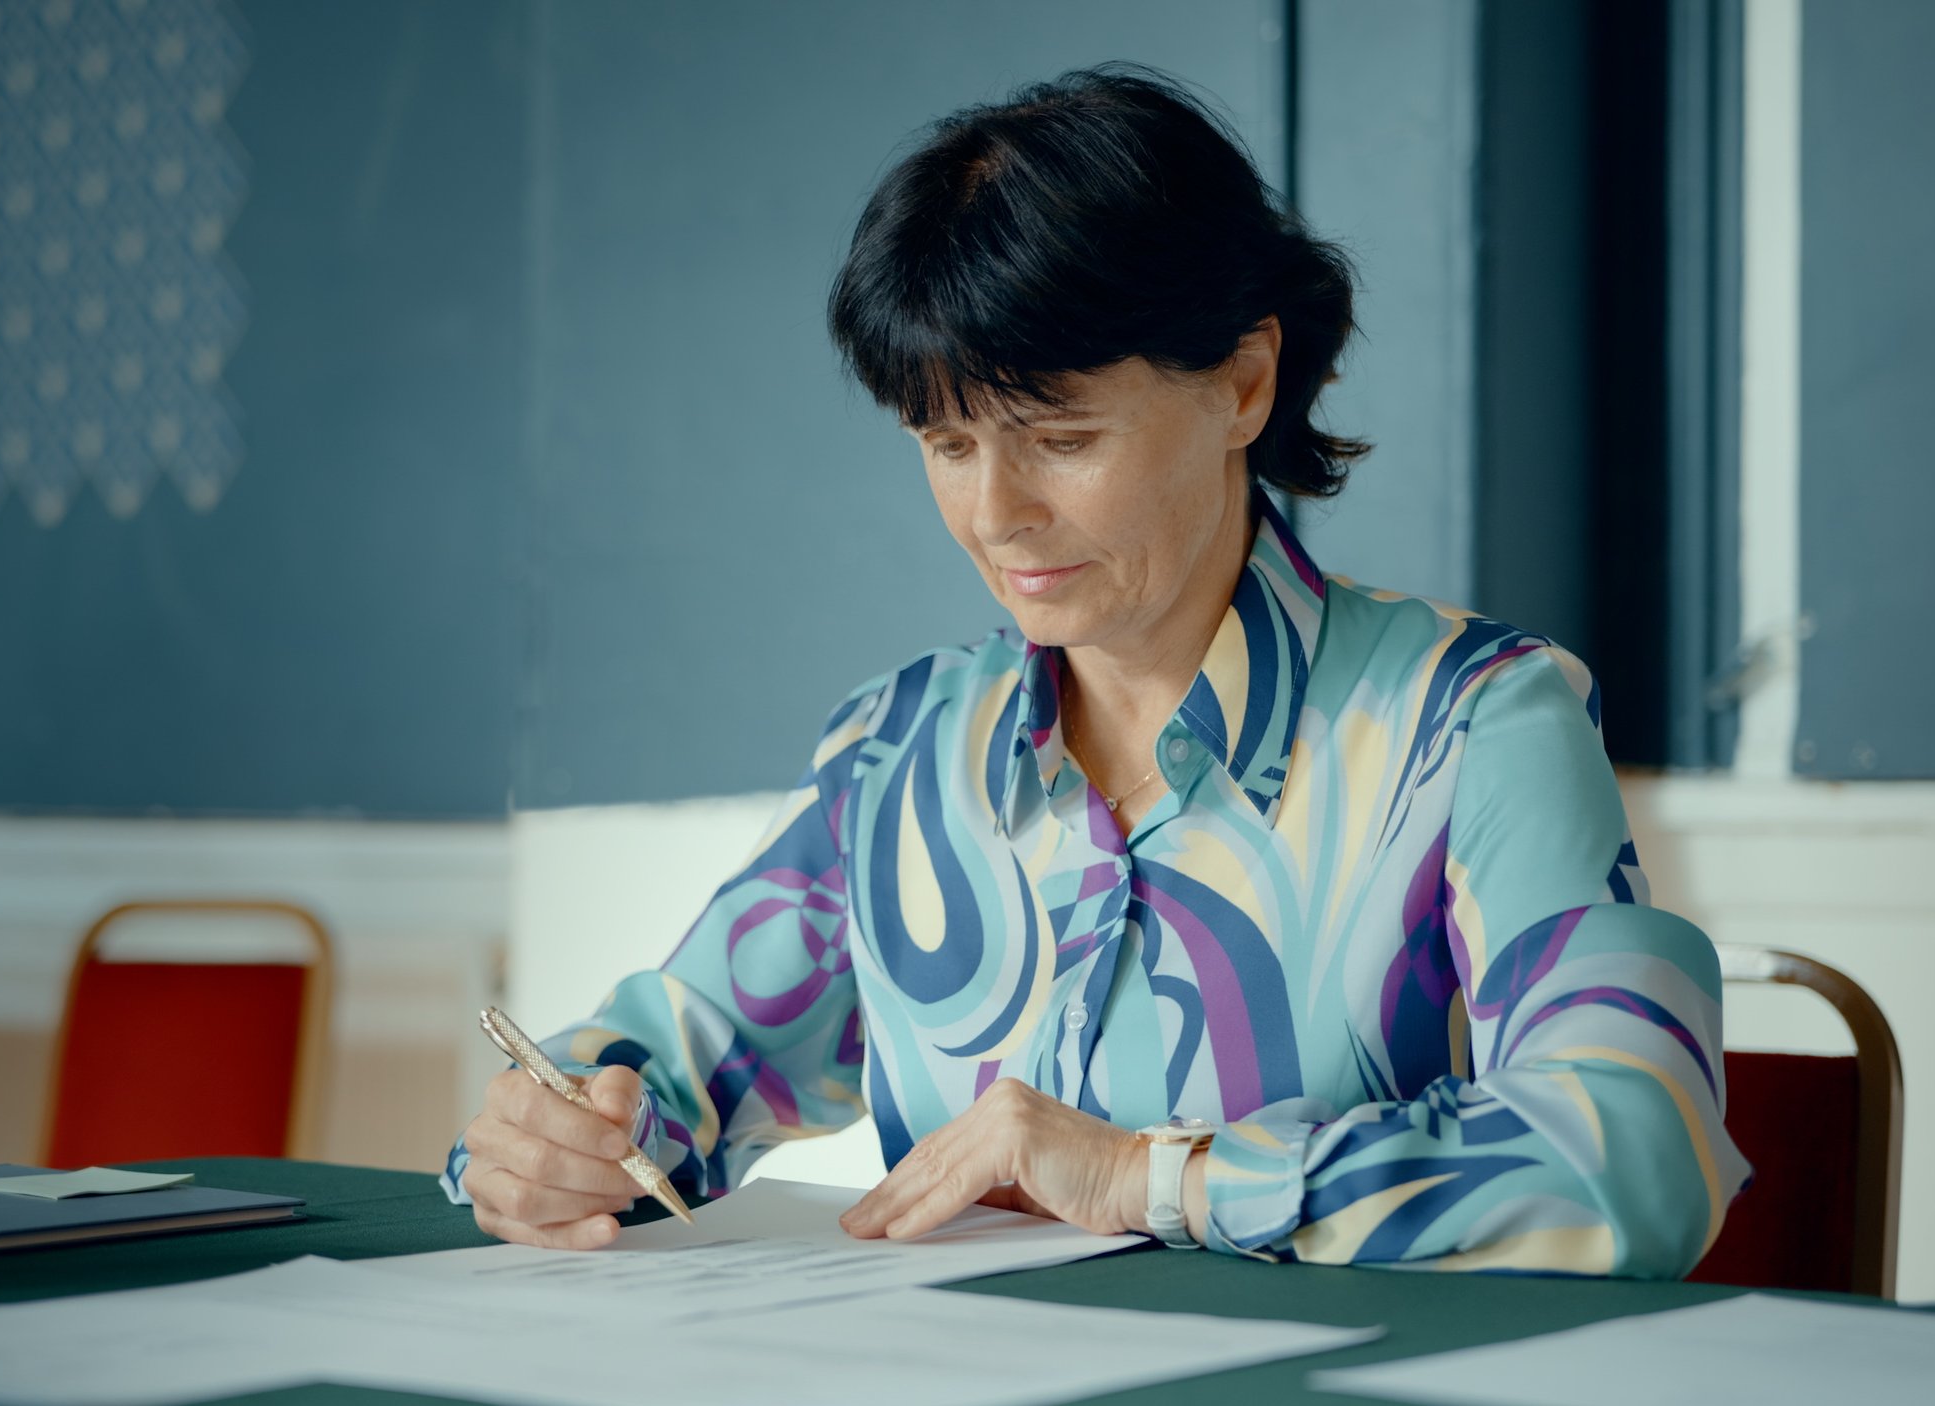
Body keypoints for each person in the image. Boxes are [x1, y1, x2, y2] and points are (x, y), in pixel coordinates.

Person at [443, 63, 1749, 1275]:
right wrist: (553, 1138)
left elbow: (1636, 1151)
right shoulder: (899, 751)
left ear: (1244, 382)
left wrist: (1146, 1175)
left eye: (1056, 435)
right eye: (946, 444)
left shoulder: (1472, 726)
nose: (997, 511)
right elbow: (666, 1066)